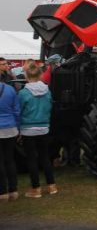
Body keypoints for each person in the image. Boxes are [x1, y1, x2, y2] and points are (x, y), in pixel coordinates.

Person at [18, 62, 56, 198]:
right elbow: (50, 107)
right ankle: (52, 185)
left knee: (32, 159)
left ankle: (36, 188)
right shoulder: (47, 91)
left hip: (28, 128)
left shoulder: (23, 93)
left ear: (26, 76)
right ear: (40, 75)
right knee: (45, 157)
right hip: (44, 127)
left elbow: (19, 111)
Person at [0, 76, 20, 202]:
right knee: (10, 160)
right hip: (11, 128)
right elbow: (17, 110)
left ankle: (2, 192)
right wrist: (17, 127)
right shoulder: (10, 90)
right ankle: (13, 190)